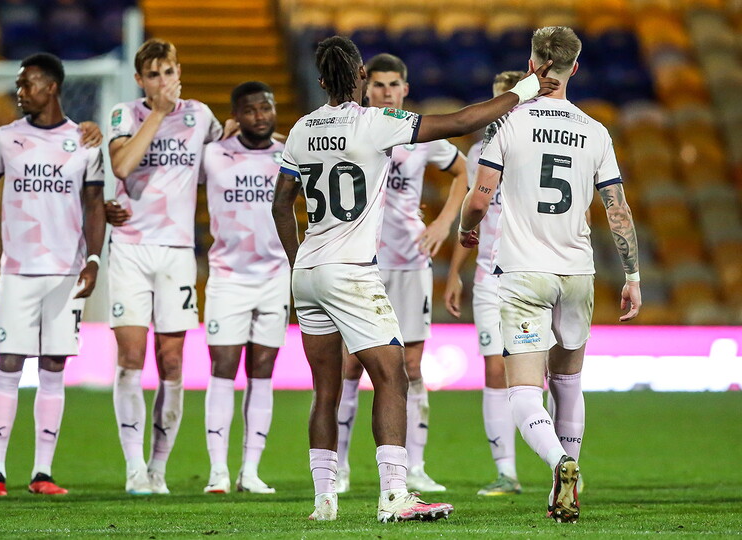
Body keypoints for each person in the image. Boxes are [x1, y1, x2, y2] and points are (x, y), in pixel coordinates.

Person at [271, 35, 558, 522]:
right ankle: (395, 493)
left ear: (321, 82)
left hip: (308, 270)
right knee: (393, 375)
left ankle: (324, 502)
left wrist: (300, 260)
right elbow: (466, 121)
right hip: (352, 272)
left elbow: (280, 205)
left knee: (325, 389)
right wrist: (528, 87)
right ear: (361, 77)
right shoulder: (376, 122)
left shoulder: (300, 130)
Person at [458, 26, 640, 523]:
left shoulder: (510, 125)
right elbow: (618, 210)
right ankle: (571, 473)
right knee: (568, 381)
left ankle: (560, 463)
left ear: (533, 64)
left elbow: (478, 197)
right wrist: (633, 275)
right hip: (577, 271)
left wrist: (466, 230)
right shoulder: (595, 130)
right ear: (574, 68)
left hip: (522, 272)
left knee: (522, 389)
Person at [335, 53, 469, 494]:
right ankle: (339, 467)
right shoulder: (352, 128)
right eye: (378, 85)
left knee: (411, 366)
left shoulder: (418, 132)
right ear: (365, 88)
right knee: (350, 366)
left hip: (410, 261)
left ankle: (415, 468)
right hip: (361, 260)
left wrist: (444, 222)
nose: (386, 92)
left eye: (394, 85)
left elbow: (462, 170)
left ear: (405, 89)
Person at [0, 52, 106, 497]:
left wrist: (93, 261)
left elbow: (93, 205)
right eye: (19, 83)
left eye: (27, 83)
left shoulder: (84, 141)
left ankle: (42, 473)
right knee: (8, 363)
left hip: (66, 272)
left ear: (51, 87)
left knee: (53, 366)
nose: (20, 91)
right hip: (17, 271)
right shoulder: (4, 139)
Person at [105, 38, 223, 495]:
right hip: (131, 248)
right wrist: (156, 113)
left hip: (177, 251)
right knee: (131, 358)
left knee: (172, 360)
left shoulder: (201, 116)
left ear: (180, 73)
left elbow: (231, 149)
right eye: (152, 75)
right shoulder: (124, 114)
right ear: (140, 80)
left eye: (168, 72)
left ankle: (158, 468)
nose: (162, 82)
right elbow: (121, 165)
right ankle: (134, 467)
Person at [200, 81, 288, 495]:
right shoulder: (213, 154)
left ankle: (249, 471)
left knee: (263, 372)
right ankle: (218, 471)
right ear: (237, 115)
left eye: (266, 107)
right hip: (227, 277)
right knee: (222, 369)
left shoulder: (290, 154)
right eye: (251, 110)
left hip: (274, 277)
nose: (260, 116)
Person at [444, 70, 526, 496]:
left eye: (508, 99)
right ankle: (506, 472)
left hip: (531, 275)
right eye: (497, 99)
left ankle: (561, 458)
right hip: (489, 277)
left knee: (536, 374)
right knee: (495, 368)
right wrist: (456, 271)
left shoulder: (536, 149)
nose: (501, 108)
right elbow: (470, 216)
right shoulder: (480, 152)